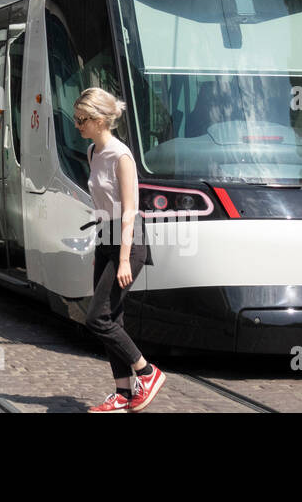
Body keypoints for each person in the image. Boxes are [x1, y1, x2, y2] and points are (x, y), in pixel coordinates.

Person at [76, 87, 165, 414]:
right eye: (76, 119)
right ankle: (124, 393)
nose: (77, 124)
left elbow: (130, 210)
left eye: (82, 119)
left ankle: (147, 372)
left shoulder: (121, 156)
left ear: (100, 120)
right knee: (113, 317)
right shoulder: (92, 152)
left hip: (129, 241)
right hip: (105, 237)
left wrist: (125, 257)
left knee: (97, 317)